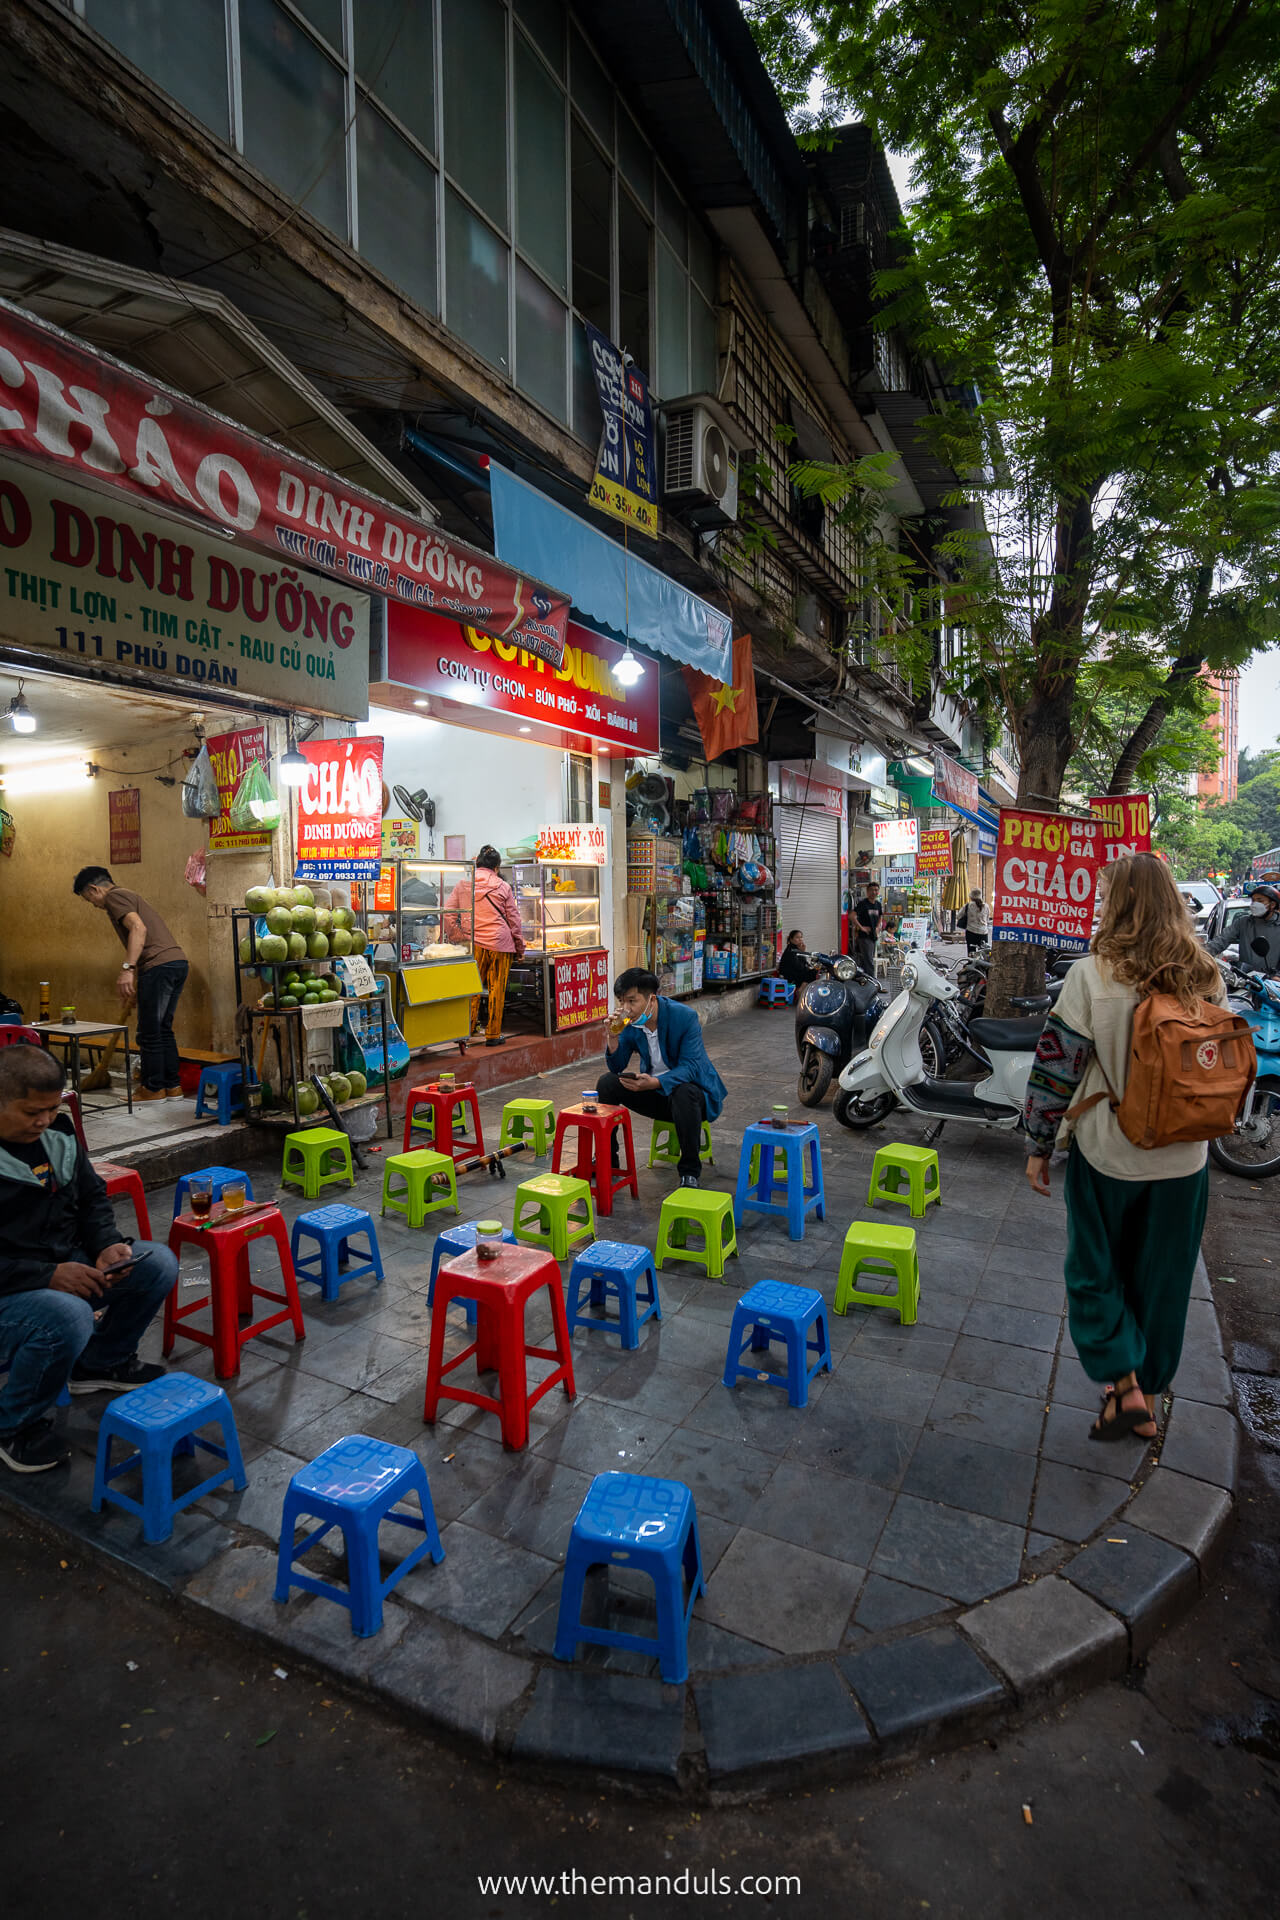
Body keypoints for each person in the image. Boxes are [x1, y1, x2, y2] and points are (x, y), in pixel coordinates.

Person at [1022, 852, 1226, 1446]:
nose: (1101, 902)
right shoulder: (1205, 974)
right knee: (1162, 1281)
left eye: (1107, 893)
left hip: (1110, 1155)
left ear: (1123, 904)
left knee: (1094, 1270)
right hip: (1185, 1161)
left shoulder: (1092, 975)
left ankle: (1125, 1383)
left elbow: (1055, 1071)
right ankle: (1145, 1398)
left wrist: (1039, 1145)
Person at [0, 1044, 177, 1473]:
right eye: (30, 1112)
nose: (42, 1121)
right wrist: (47, 1276)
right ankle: (14, 1427)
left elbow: (92, 1198)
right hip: (12, 1290)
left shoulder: (57, 1136)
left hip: (62, 1265)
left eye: (50, 1108)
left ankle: (99, 1363)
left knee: (156, 1263)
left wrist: (106, 1245)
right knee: (68, 1315)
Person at [597, 968, 727, 1187]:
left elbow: (691, 1067)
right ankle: (607, 1160)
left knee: (683, 1091)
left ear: (651, 999)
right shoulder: (631, 1023)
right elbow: (617, 1065)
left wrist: (655, 1082)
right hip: (657, 1094)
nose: (626, 1009)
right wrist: (612, 1037)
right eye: (621, 1002)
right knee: (607, 1083)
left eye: (632, 1001)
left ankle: (689, 1172)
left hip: (695, 1098)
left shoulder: (684, 1017)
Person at [73, 866, 188, 1101]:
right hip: (175, 963)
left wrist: (128, 969)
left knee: (149, 1033)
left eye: (89, 898)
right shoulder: (129, 895)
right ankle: (172, 1086)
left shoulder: (115, 896)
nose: (94, 904)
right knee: (162, 1030)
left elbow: (138, 928)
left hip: (158, 966)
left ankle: (153, 1088)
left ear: (94, 889)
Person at [444, 845, 525, 1047]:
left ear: (477, 863)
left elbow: (447, 913)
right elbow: (514, 920)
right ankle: (493, 1034)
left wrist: (459, 935)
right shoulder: (503, 886)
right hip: (500, 944)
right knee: (497, 988)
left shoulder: (463, 884)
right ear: (496, 867)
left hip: (473, 944)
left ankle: (467, 1029)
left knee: (471, 986)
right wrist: (519, 948)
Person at [1209, 881, 1280, 974]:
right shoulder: (1243, 922)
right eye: (1253, 900)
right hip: (1247, 980)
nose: (1255, 904)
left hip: (1275, 982)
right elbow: (1221, 941)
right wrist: (1199, 955)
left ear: (1273, 904)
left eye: (1260, 900)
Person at [853, 883, 882, 975]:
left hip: (873, 936)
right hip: (864, 937)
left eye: (876, 890)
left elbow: (881, 916)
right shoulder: (863, 904)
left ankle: (864, 980)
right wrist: (861, 928)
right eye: (872, 890)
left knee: (867, 960)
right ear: (867, 891)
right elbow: (852, 916)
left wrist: (878, 927)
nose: (874, 892)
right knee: (869, 961)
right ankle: (872, 982)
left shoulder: (878, 904)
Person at [957, 889, 990, 955]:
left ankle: (972, 964)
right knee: (983, 953)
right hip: (983, 933)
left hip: (971, 932)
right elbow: (987, 919)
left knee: (971, 952)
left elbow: (958, 916)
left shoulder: (968, 905)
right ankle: (982, 965)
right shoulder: (986, 906)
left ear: (971, 897)